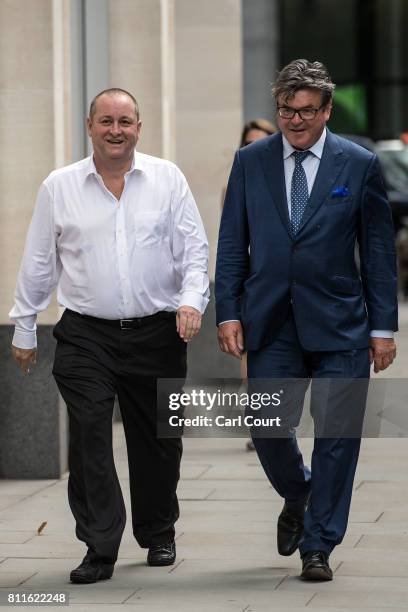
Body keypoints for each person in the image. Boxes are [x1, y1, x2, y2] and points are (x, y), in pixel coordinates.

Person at [10, 88, 209, 584]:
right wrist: (25, 325)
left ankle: (159, 530)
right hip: (85, 336)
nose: (115, 130)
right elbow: (39, 260)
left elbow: (194, 249)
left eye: (125, 121)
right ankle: (99, 545)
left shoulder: (167, 179)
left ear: (139, 127)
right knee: (90, 438)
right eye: (106, 121)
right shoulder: (60, 186)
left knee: (158, 442)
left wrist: (191, 301)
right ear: (89, 125)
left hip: (157, 333)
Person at [215, 59, 397, 581]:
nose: (295, 121)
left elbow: (379, 252)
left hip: (341, 322)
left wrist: (383, 329)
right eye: (286, 110)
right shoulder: (250, 161)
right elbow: (233, 243)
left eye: (306, 112)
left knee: (338, 436)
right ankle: (300, 493)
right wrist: (228, 311)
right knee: (268, 425)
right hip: (270, 320)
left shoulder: (357, 163)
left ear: (327, 110)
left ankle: (318, 544)